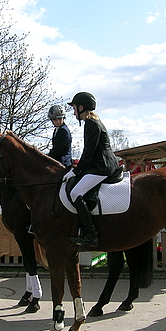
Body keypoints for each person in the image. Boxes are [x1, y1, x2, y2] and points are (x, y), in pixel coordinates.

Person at [63, 92, 120, 247]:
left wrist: (75, 171)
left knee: (75, 193)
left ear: (81, 107)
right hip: (100, 165)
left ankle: (90, 234)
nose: (74, 112)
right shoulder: (94, 121)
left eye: (74, 108)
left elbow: (88, 153)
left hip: (102, 167)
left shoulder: (91, 123)